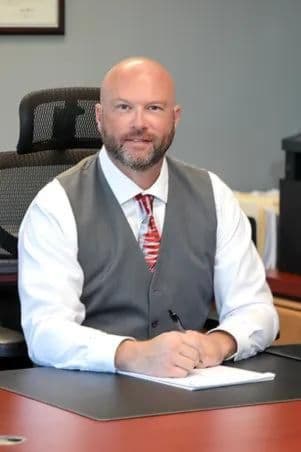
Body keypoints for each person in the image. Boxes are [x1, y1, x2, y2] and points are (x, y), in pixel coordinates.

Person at [18, 57, 279, 377]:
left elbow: (257, 310)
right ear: (100, 117)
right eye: (124, 107)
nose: (139, 123)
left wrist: (220, 343)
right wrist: (132, 354)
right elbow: (45, 334)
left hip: (193, 394)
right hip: (89, 399)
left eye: (154, 108)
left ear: (175, 118)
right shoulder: (55, 205)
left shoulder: (214, 195)